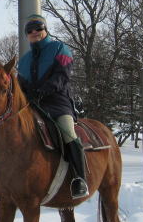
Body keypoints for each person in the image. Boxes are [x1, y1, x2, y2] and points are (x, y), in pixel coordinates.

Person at [16, 14, 89, 199]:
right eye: (30, 30)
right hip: (32, 105)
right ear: (26, 35)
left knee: (67, 132)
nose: (34, 32)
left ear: (45, 29)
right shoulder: (23, 60)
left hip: (58, 102)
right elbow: (20, 86)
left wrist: (42, 90)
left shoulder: (60, 48)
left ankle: (80, 179)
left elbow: (62, 76)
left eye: (38, 28)